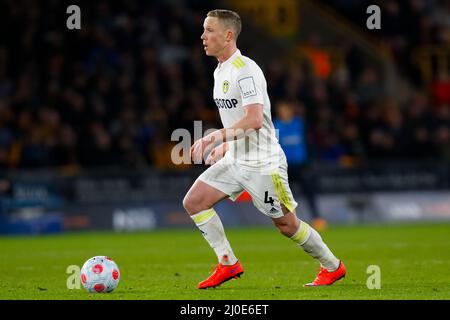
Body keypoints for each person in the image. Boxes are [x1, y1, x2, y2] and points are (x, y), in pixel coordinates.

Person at [183, 9, 346, 289]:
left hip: (262, 163)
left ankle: (332, 267)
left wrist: (215, 138)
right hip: (236, 158)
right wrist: (228, 147)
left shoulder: (245, 71)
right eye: (204, 30)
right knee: (194, 202)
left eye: (209, 30)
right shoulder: (219, 70)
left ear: (228, 35)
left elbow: (255, 119)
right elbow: (237, 120)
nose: (203, 36)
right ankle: (227, 263)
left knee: (286, 225)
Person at [273, 100, 328, 231]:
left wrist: (310, 159)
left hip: (301, 165)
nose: (284, 112)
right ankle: (285, 221)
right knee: (284, 196)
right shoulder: (276, 125)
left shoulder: (299, 123)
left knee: (309, 192)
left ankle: (316, 218)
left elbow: (308, 141)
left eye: (286, 109)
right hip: (284, 167)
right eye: (282, 110)